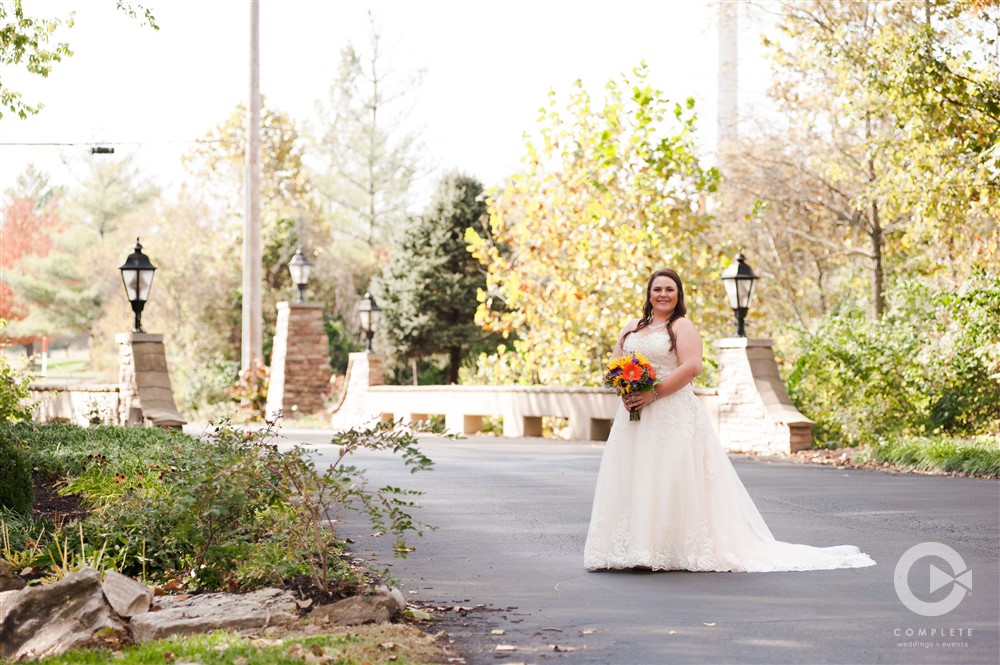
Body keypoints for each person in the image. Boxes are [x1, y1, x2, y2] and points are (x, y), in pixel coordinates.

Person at [584, 269, 876, 572]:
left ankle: (662, 550)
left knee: (667, 477)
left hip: (670, 412)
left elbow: (692, 367)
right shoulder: (632, 327)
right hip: (633, 415)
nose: (663, 294)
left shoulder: (681, 326)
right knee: (635, 475)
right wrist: (625, 389)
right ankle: (632, 547)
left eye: (670, 289)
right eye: (657, 289)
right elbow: (615, 365)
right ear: (649, 293)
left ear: (678, 294)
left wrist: (653, 394)